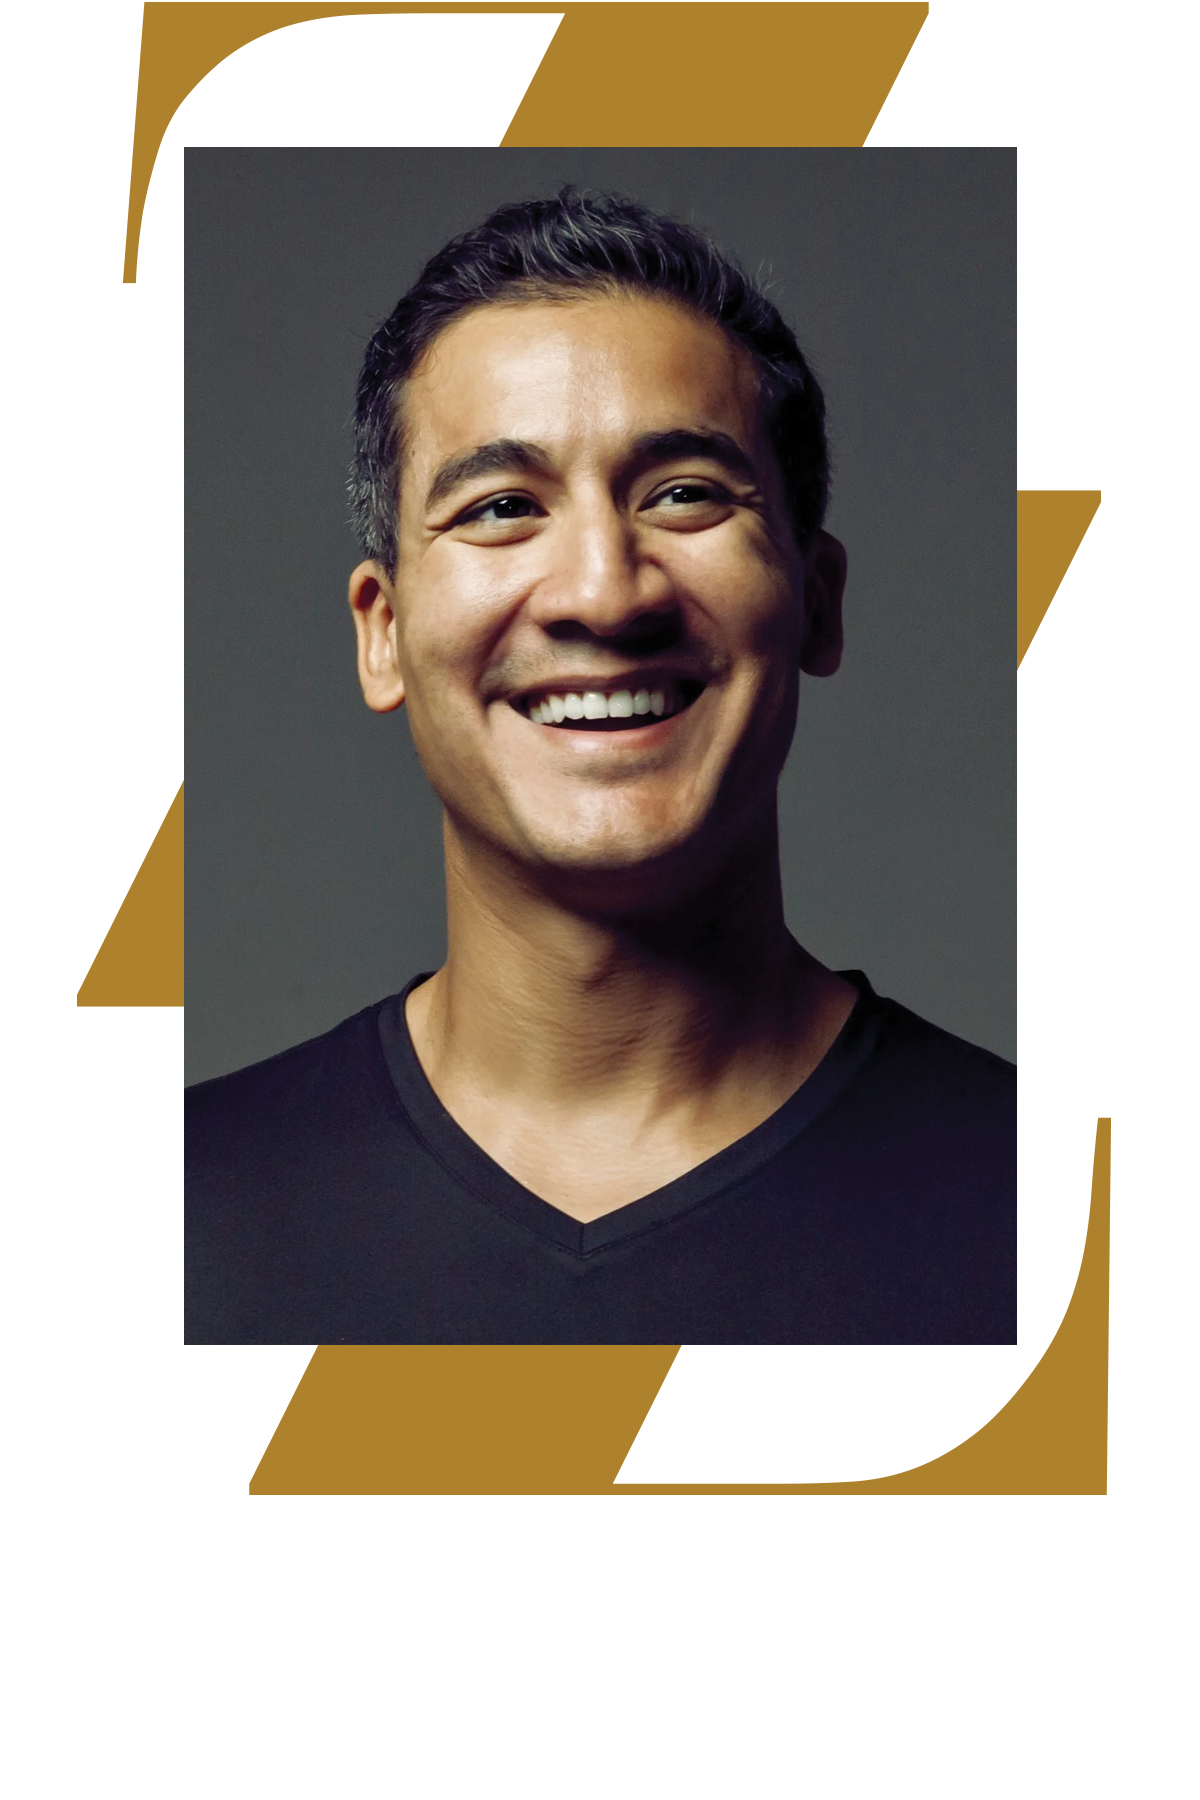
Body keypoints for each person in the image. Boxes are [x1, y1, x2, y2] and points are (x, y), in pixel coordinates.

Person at [185, 189, 1014, 1345]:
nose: (603, 591)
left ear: (818, 600)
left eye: (683, 495)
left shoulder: (1075, 1215)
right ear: (383, 633)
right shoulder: (151, 1226)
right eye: (501, 507)